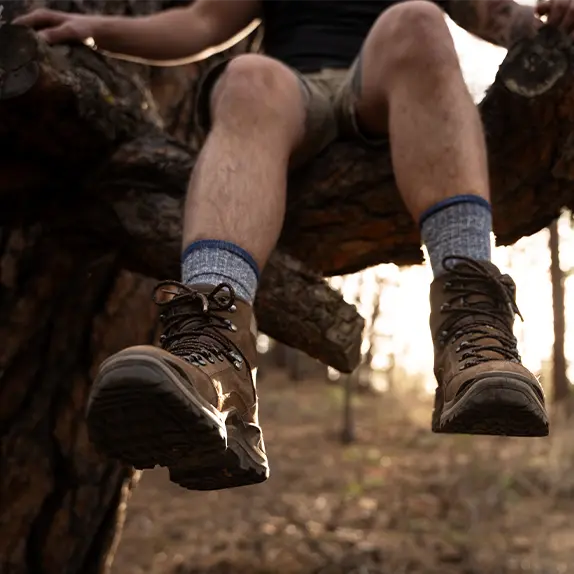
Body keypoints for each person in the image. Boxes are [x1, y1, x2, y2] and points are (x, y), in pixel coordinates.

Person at [16, 0, 564, 491]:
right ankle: (214, 356)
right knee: (248, 73)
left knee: (417, 19)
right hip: (288, 101)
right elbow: (202, 22)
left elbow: (497, 15)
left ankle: (474, 329)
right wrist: (95, 27)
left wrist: (553, 22)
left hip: (388, 88)